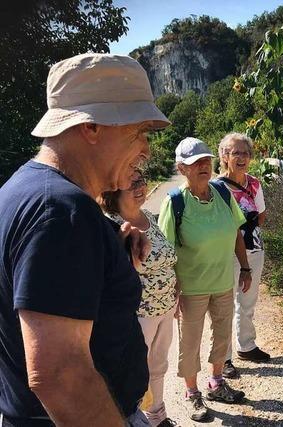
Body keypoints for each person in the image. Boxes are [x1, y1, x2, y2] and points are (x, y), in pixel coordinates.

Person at [0, 53, 170, 426]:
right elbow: (61, 377)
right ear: (91, 126)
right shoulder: (60, 212)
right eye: (139, 130)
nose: (147, 148)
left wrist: (110, 252)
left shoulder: (26, 190)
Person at [158, 137, 250, 421]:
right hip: (191, 288)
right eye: (194, 162)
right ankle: (191, 391)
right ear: (181, 168)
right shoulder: (175, 203)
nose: (202, 166)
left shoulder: (222, 193)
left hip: (223, 281)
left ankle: (216, 381)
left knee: (222, 337)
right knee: (190, 343)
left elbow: (236, 232)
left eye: (206, 160)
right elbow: (164, 250)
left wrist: (245, 268)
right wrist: (171, 290)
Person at [99, 170, 178, 427]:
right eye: (132, 184)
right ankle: (135, 419)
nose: (140, 188)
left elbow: (166, 258)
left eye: (142, 182)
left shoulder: (147, 218)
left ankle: (157, 415)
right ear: (115, 191)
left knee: (158, 366)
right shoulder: (114, 226)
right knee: (135, 371)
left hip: (165, 308)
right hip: (139, 314)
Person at [217, 133, 270, 379]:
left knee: (248, 301)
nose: (241, 157)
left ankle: (246, 346)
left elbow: (261, 214)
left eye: (245, 153)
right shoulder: (215, 188)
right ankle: (224, 357)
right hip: (225, 252)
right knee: (224, 305)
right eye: (235, 152)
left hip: (253, 249)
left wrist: (249, 235)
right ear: (224, 156)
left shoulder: (255, 184)